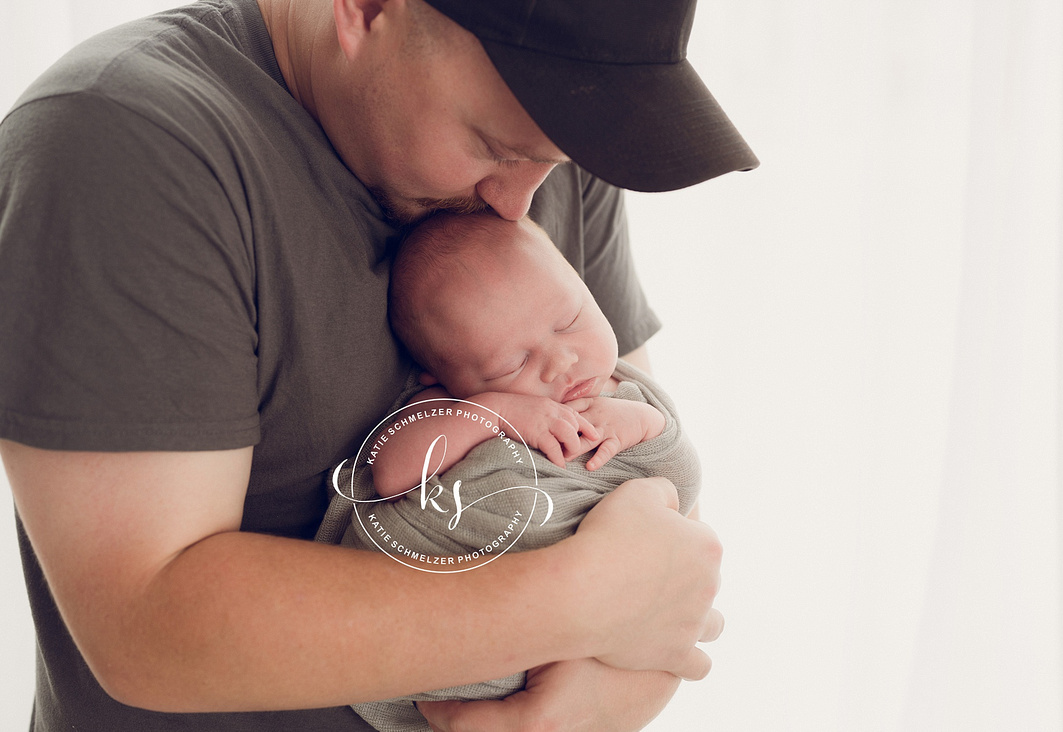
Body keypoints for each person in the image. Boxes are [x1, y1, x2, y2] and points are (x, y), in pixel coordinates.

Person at [0, 0, 757, 730]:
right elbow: (148, 626)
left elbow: (645, 494)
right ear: (364, 6)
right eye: (495, 149)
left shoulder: (543, 137)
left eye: (553, 161)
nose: (520, 204)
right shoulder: (126, 144)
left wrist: (621, 692)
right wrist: (581, 603)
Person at [320, 211, 703, 732]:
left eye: (569, 321)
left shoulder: (627, 394)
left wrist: (639, 424)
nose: (561, 361)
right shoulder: (449, 407)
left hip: (586, 631)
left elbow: (678, 483)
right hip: (455, 617)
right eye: (510, 365)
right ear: (445, 378)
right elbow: (391, 475)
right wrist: (491, 413)